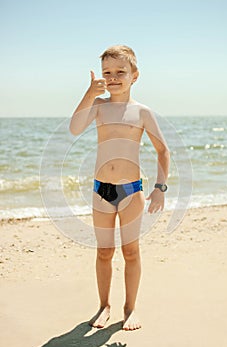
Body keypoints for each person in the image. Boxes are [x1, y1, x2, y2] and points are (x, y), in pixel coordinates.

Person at [69, 45, 170, 331]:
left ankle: (130, 308)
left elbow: (163, 151)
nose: (113, 78)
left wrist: (160, 187)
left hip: (131, 192)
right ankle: (104, 306)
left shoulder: (141, 112)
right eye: (107, 73)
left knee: (131, 252)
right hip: (102, 190)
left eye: (120, 72)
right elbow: (75, 128)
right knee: (103, 252)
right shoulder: (99, 106)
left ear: (134, 76)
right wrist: (89, 93)